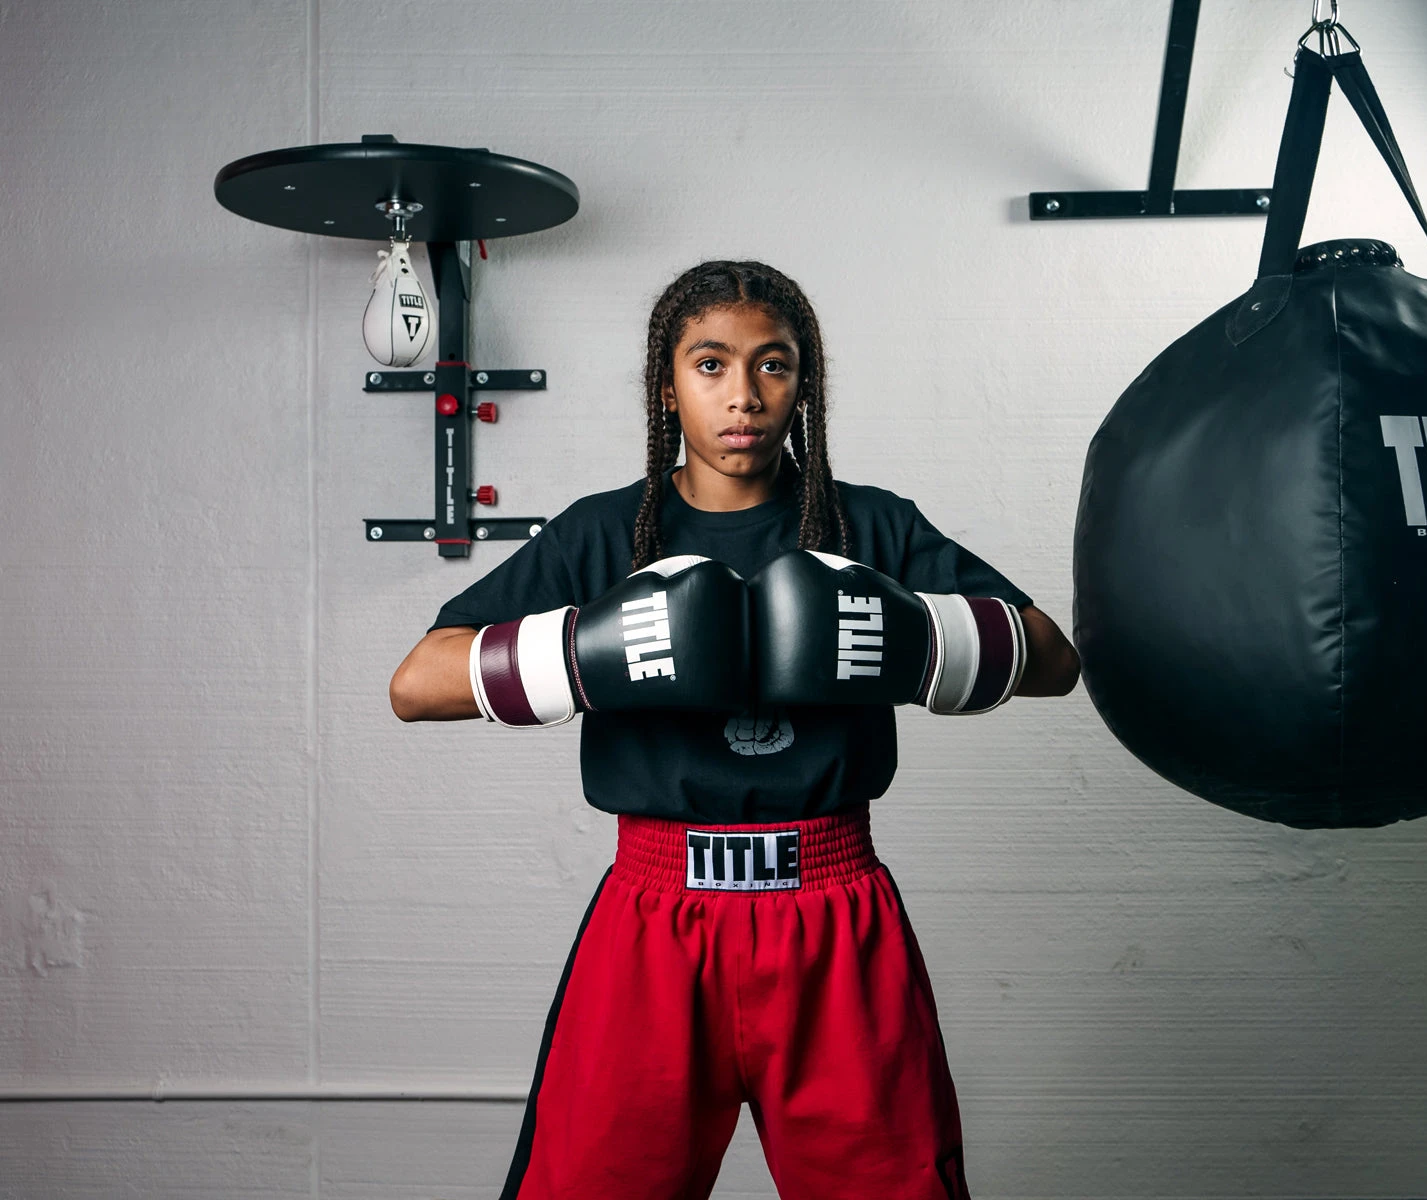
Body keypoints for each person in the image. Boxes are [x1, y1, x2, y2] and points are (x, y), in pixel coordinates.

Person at [389, 260, 1079, 1200]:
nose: (743, 395)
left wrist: (918, 639)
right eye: (710, 365)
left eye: (773, 365)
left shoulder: (867, 526)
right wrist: (585, 654)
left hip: (833, 912)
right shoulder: (606, 534)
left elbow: (1054, 659)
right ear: (666, 386)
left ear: (804, 384)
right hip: (654, 916)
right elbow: (416, 683)